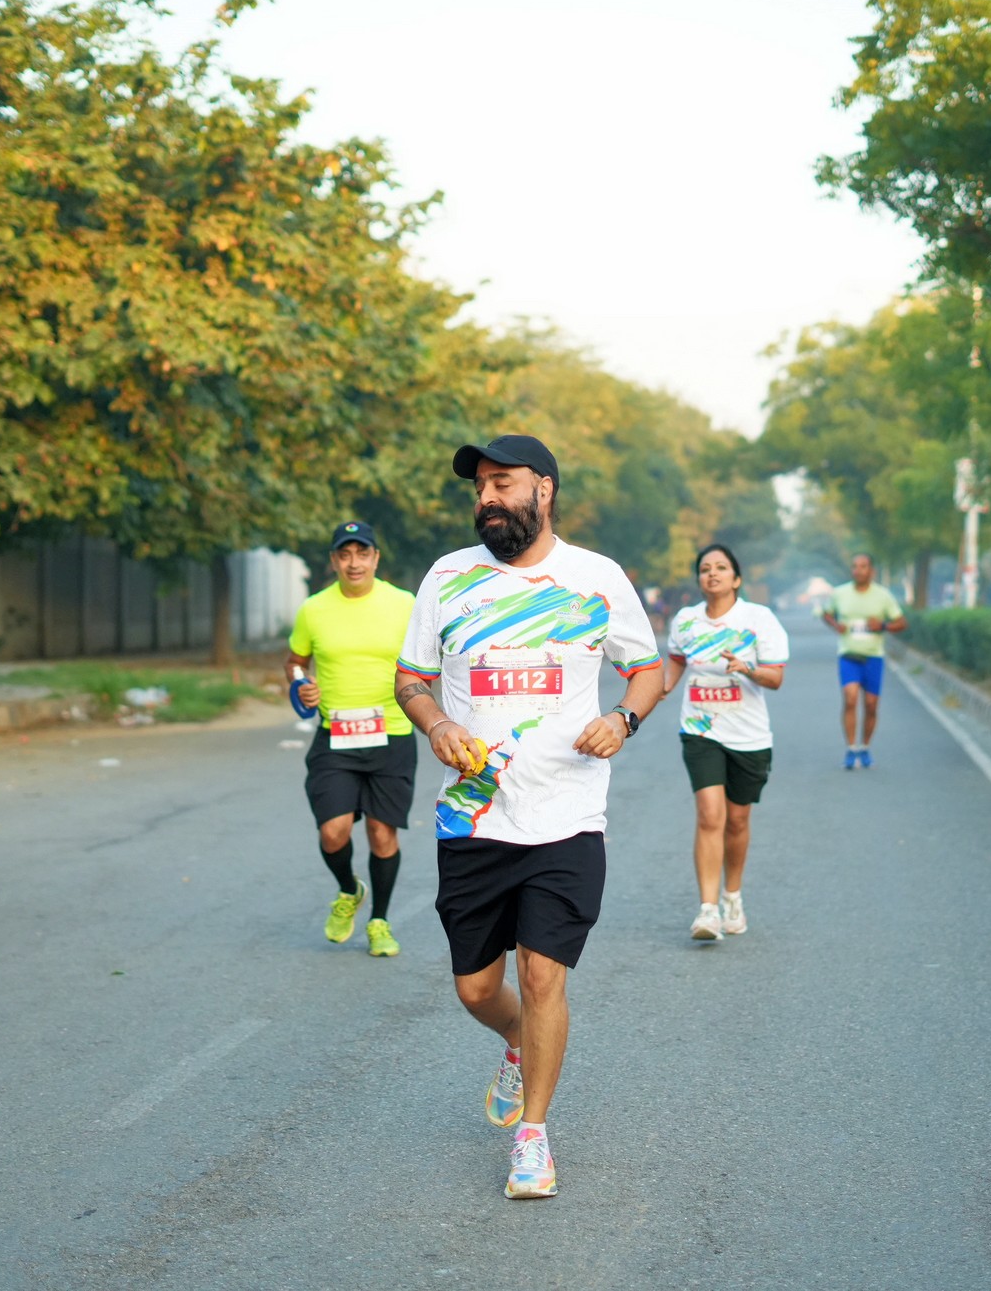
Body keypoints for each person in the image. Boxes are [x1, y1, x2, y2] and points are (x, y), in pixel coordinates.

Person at [393, 434, 662, 1201]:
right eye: (479, 485)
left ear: (543, 489)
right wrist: (436, 723)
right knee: (477, 988)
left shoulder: (595, 577)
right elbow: (410, 678)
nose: (486, 497)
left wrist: (623, 719)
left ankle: (532, 1137)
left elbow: (647, 669)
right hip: (473, 818)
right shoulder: (446, 577)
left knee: (542, 973)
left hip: (567, 815)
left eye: (501, 482)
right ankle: (515, 1038)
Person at [285, 521, 418, 958]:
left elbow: (427, 661)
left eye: (362, 554)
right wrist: (300, 684)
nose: (354, 563)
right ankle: (348, 889)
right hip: (335, 736)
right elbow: (295, 661)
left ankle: (379, 922)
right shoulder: (314, 609)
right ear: (334, 561)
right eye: (345, 555)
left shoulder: (404, 604)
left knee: (382, 833)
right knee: (333, 831)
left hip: (392, 734)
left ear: (376, 558)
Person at [661, 544, 788, 941]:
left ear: (736, 578)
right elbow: (677, 659)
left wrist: (747, 669)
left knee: (737, 820)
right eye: (705, 569)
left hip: (749, 735)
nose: (712, 574)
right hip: (700, 729)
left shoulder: (758, 619)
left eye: (720, 568)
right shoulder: (686, 620)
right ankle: (708, 910)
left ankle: (732, 895)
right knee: (709, 815)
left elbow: (776, 678)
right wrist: (659, 689)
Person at [820, 553, 907, 770]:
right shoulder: (840, 593)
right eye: (855, 566)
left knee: (871, 705)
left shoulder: (883, 596)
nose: (858, 570)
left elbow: (901, 622)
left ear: (871, 571)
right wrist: (836, 625)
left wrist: (883, 626)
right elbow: (826, 613)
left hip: (873, 657)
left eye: (863, 566)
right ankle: (851, 748)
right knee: (850, 699)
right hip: (848, 655)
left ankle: (865, 747)